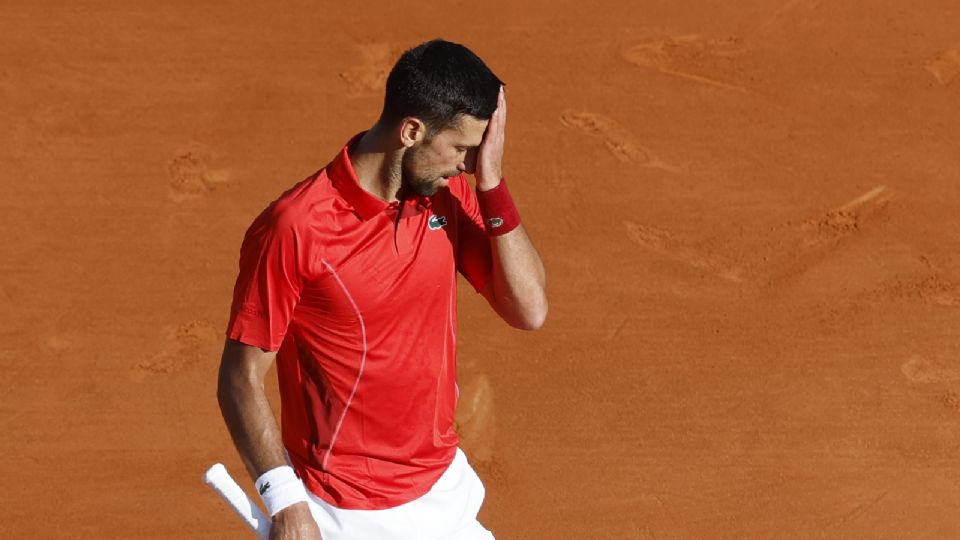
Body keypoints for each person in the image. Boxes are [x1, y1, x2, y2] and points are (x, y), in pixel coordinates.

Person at [216, 39, 547, 540]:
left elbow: (529, 309)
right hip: (348, 512)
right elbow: (240, 376)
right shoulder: (297, 228)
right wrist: (285, 503)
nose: (467, 164)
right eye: (461, 148)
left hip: (442, 488)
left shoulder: (449, 195)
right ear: (412, 131)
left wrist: (493, 184)